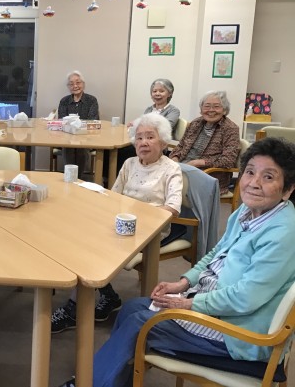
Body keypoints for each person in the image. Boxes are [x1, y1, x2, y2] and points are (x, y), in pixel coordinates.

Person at [59, 137, 295, 387]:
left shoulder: (283, 233)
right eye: (250, 172)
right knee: (131, 309)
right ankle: (109, 380)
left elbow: (245, 298)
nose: (254, 183)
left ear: (288, 189)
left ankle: (87, 383)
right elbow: (217, 253)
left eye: (268, 177)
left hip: (238, 333)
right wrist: (183, 283)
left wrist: (188, 304)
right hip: (214, 304)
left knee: (140, 324)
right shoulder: (245, 212)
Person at [52, 114, 182, 333]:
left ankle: (75, 308)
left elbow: (173, 208)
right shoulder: (130, 164)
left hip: (151, 229)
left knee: (93, 249)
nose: (143, 142)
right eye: (139, 138)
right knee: (79, 236)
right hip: (121, 222)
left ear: (163, 142)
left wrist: (141, 216)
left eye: (150, 137)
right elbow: (113, 196)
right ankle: (108, 296)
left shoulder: (171, 169)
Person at [169, 90, 240, 194]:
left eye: (216, 106)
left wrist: (198, 163)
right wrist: (174, 158)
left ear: (224, 110)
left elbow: (228, 160)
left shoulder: (230, 129)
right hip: (184, 168)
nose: (211, 110)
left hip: (208, 176)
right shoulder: (196, 123)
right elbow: (181, 145)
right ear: (201, 109)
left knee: (166, 186)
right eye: (207, 106)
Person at [57, 71, 100, 179]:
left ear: (83, 84)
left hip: (86, 137)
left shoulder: (92, 100)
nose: (75, 86)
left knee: (80, 146)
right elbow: (62, 120)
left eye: (78, 82)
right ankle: (70, 177)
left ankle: (78, 178)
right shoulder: (64, 101)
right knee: (69, 146)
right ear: (68, 87)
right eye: (71, 84)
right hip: (67, 138)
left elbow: (93, 120)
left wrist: (78, 127)